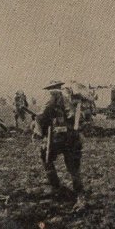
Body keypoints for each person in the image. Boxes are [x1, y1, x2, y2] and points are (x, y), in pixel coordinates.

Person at [35, 80, 86, 209]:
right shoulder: (69, 97)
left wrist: (38, 130)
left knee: (45, 156)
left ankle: (56, 186)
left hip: (58, 137)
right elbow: (78, 117)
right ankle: (79, 193)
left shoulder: (52, 96)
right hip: (73, 136)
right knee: (73, 167)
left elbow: (41, 116)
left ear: (51, 88)